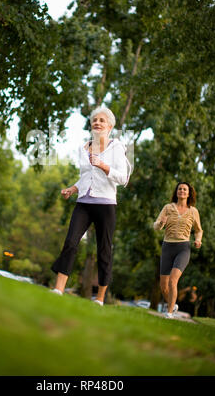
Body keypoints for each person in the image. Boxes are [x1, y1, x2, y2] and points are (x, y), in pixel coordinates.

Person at [50, 106, 132, 305]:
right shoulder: (83, 147)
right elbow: (85, 177)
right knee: (70, 242)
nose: (97, 122)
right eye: (95, 120)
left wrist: (103, 166)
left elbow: (123, 178)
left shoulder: (117, 147)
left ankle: (100, 298)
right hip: (84, 203)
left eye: (102, 120)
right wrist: (72, 189)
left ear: (110, 126)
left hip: (106, 204)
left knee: (104, 250)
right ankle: (58, 289)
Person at [154, 182, 203, 319]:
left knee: (173, 281)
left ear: (189, 193)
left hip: (183, 248)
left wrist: (198, 240)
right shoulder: (168, 208)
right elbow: (156, 227)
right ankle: (173, 304)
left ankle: (169, 313)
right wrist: (161, 223)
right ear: (177, 192)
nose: (182, 191)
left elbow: (199, 230)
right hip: (167, 247)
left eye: (185, 189)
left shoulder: (193, 211)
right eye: (180, 189)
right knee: (163, 287)